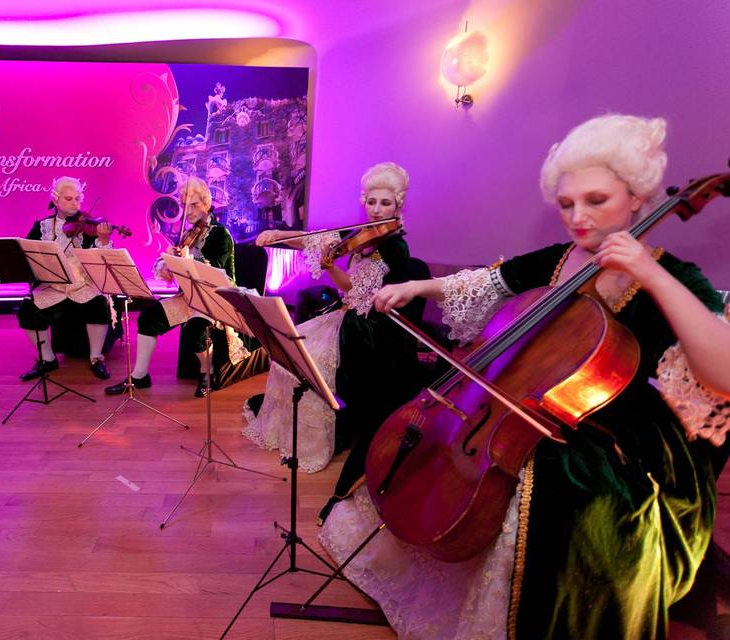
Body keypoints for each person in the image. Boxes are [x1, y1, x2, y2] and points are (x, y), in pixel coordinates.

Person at [319, 114, 730, 638]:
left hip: (624, 435)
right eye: (565, 205)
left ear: (638, 197)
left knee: (560, 484)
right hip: (535, 401)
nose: (577, 217)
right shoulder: (561, 259)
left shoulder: (672, 274)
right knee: (423, 426)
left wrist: (648, 273)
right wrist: (416, 290)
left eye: (596, 201)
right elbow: (490, 280)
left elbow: (724, 372)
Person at [244, 162, 431, 481]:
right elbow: (317, 239)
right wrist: (279, 235)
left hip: (370, 327)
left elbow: (355, 290)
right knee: (289, 353)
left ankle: (316, 439)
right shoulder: (366, 235)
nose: (376, 209)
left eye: (385, 203)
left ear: (398, 205)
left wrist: (330, 268)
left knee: (308, 361)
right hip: (351, 315)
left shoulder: (395, 246)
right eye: (371, 202)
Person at [104, 176, 237, 398]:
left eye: (194, 205)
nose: (189, 211)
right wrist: (168, 268)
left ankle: (208, 372)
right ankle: (139, 376)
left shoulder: (220, 233)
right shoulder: (189, 234)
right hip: (189, 296)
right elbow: (176, 266)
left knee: (196, 329)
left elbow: (214, 272)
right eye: (185, 205)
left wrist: (188, 261)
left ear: (207, 204)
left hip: (215, 299)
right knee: (148, 318)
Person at [16, 176, 114, 381]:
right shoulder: (41, 226)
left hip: (82, 283)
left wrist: (103, 240)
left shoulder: (89, 225)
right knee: (27, 309)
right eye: (69, 199)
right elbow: (28, 253)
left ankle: (96, 357)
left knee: (98, 304)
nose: (75, 203)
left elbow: (101, 260)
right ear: (55, 200)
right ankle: (47, 359)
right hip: (53, 284)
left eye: (78, 199)